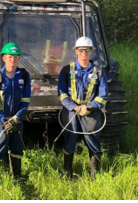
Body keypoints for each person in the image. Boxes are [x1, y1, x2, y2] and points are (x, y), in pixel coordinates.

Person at [57, 36, 108, 180]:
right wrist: (74, 108)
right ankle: (67, 172)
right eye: (81, 50)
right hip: (71, 112)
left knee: (93, 140)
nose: (84, 52)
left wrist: (90, 107)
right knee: (69, 140)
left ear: (91, 51)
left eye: (87, 50)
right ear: (76, 51)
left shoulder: (98, 71)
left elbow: (103, 95)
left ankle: (94, 175)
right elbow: (62, 95)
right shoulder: (67, 70)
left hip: (91, 113)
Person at [0, 42, 31, 182]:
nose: (13, 59)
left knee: (17, 150)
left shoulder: (24, 76)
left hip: (16, 120)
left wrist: (17, 118)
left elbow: (26, 100)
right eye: (10, 57)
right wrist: (3, 122)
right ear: (4, 58)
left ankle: (17, 177)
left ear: (19, 59)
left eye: (16, 57)